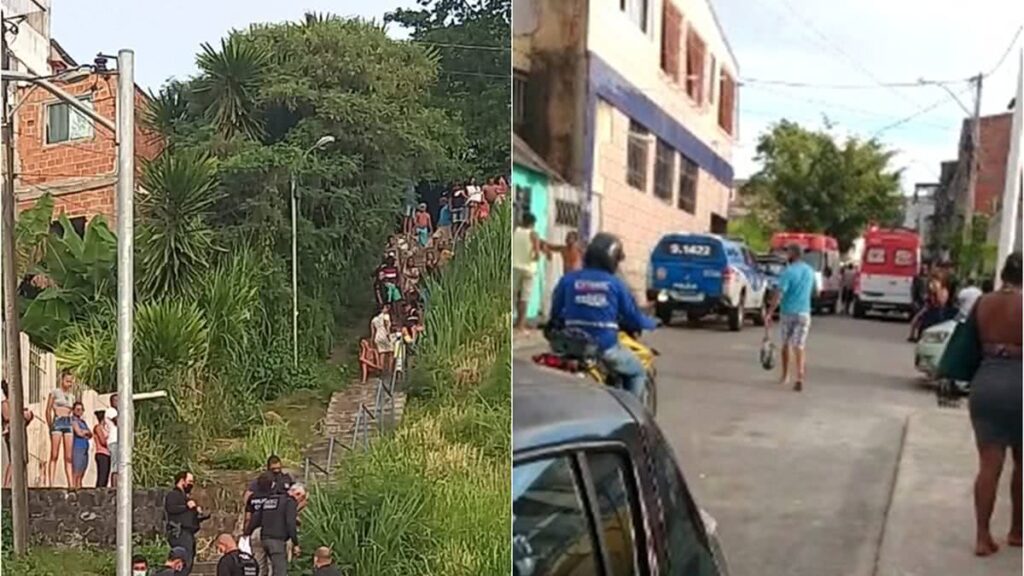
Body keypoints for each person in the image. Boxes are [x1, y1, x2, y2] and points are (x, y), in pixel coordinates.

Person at [548, 232, 657, 403]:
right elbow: (632, 317)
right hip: (604, 347)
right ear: (611, 259)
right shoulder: (615, 284)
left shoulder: (568, 279)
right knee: (638, 372)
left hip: (569, 347)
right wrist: (651, 323)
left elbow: (555, 312)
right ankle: (635, 417)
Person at [968, 252, 1022, 557]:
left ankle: (982, 536)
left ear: (1003, 274)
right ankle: (1017, 531)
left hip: (987, 382)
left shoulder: (983, 303)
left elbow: (970, 344)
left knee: (989, 465)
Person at [766, 244, 816, 392]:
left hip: (788, 312)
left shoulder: (788, 271)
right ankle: (800, 376)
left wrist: (770, 311)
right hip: (804, 312)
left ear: (793, 254)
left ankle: (785, 375)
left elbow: (779, 293)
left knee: (786, 344)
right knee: (799, 345)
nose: (786, 254)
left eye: (788, 252)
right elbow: (814, 291)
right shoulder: (809, 271)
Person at [244, 482, 302, 576]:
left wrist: (248, 532)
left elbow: (257, 517)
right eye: (301, 498)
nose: (299, 501)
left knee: (261, 569)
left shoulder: (269, 500)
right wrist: (295, 543)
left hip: (263, 537)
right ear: (297, 493)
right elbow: (290, 523)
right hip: (277, 540)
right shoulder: (289, 501)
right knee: (280, 571)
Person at [165, 470, 207, 576]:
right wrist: (187, 506)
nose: (191, 484)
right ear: (182, 481)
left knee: (188, 561)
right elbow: (171, 508)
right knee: (182, 561)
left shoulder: (186, 498)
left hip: (188, 533)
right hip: (180, 532)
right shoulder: (173, 495)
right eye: (190, 481)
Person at [45, 369, 76, 486]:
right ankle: (51, 483)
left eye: (71, 381)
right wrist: (50, 425)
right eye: (67, 381)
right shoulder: (55, 392)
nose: (69, 383)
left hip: (68, 422)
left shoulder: (71, 396)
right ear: (62, 380)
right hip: (58, 421)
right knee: (54, 454)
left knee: (68, 456)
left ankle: (70, 483)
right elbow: (48, 409)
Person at [513, 212, 542, 332]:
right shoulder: (533, 234)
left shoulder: (515, 230)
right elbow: (536, 255)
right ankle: (520, 325)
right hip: (528, 269)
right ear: (532, 223)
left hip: (514, 267)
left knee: (512, 295)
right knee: (524, 298)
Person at [2, 379, 34, 488]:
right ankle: (6, 484)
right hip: (11, 433)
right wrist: (20, 414)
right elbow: (7, 416)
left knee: (22, 459)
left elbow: (26, 418)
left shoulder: (17, 403)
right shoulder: (5, 403)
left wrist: (27, 416)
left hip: (20, 432)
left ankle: (19, 484)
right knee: (13, 459)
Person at [69, 401, 92, 488]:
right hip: (77, 448)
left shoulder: (83, 422)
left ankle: (79, 488)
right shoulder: (73, 420)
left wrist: (85, 432)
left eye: (81, 410)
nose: (80, 411)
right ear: (73, 410)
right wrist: (85, 432)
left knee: (82, 473)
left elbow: (90, 434)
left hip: (85, 449)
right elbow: (79, 433)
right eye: (77, 409)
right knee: (76, 472)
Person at [371, 305, 397, 374]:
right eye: (386, 308)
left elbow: (373, 331)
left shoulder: (374, 319)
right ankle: (390, 370)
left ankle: (381, 369)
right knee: (391, 352)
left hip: (378, 336)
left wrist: (372, 340)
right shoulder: (386, 316)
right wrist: (388, 334)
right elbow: (386, 325)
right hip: (384, 335)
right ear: (382, 309)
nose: (387, 309)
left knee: (382, 353)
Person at [93, 409, 111, 487]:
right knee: (102, 476)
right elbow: (102, 441)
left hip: (107, 454)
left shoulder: (105, 428)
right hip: (101, 453)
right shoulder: (98, 427)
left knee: (106, 477)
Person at [105, 406, 119, 487]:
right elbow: (117, 421)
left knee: (120, 466)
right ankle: (114, 487)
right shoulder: (111, 411)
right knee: (115, 466)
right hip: (114, 440)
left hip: (119, 441)